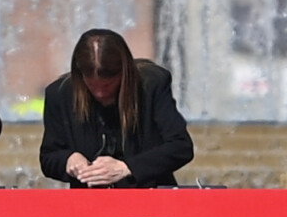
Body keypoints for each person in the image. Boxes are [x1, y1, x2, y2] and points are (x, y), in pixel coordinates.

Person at [39, 29, 194, 189]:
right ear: (80, 76)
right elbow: (48, 157)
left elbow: (181, 146)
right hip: (89, 202)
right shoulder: (60, 94)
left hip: (147, 195)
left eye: (107, 85)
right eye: (92, 85)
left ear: (124, 74)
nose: (100, 93)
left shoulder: (151, 85)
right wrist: (68, 159)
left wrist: (127, 168)